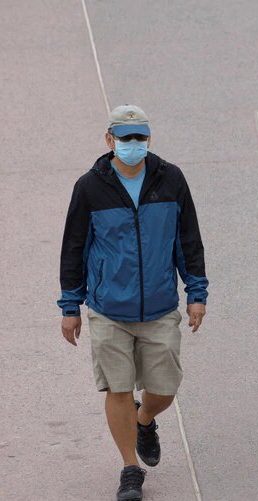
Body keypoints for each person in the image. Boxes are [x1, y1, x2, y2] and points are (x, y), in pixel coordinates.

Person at [58, 105, 208, 500]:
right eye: (125, 138)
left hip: (160, 308)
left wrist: (197, 293)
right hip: (109, 310)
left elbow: (188, 239)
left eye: (139, 137)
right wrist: (70, 306)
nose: (133, 144)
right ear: (109, 140)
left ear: (148, 139)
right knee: (117, 389)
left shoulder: (170, 179)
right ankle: (130, 468)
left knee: (165, 390)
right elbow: (73, 248)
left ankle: (145, 419)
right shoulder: (90, 187)